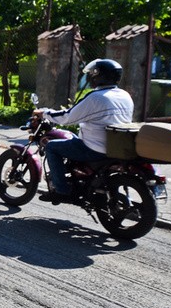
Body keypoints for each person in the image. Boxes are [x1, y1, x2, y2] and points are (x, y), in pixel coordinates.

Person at [33, 58, 134, 203]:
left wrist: (44, 113)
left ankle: (61, 190)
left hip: (94, 148)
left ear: (99, 76)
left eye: (93, 74)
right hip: (116, 147)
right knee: (73, 139)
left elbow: (68, 117)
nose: (91, 77)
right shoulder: (125, 95)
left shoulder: (96, 97)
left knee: (52, 147)